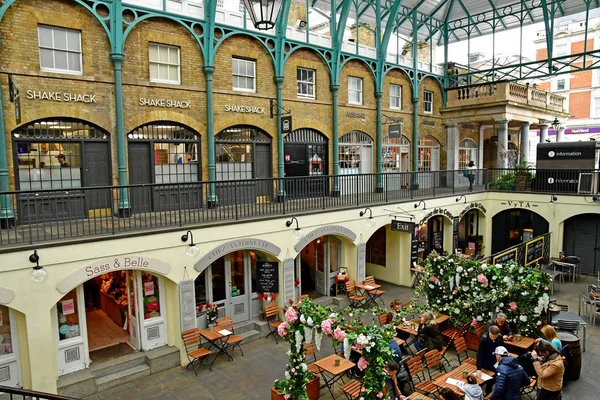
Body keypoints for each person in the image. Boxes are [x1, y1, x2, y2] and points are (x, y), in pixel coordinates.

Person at [476, 325, 504, 394]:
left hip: (494, 360)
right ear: (489, 332)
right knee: (483, 377)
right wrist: (478, 368)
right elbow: (479, 353)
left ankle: (489, 391)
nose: (492, 338)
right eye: (491, 336)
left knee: (493, 378)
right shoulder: (484, 339)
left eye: (495, 337)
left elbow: (502, 348)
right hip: (485, 359)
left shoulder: (500, 337)